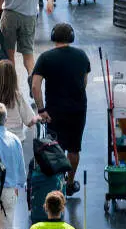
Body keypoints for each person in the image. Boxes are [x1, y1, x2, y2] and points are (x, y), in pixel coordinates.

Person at [31, 23, 90, 196]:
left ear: (53, 36)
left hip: (54, 111)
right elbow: (84, 81)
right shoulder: (82, 55)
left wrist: (41, 109)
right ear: (71, 37)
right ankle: (70, 183)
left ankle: (57, 185)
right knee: (74, 148)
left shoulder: (46, 58)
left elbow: (35, 86)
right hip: (77, 109)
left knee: (55, 147)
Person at [0, 59, 38, 142]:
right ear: (13, 77)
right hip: (15, 139)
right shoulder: (17, 96)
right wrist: (39, 117)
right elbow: (29, 121)